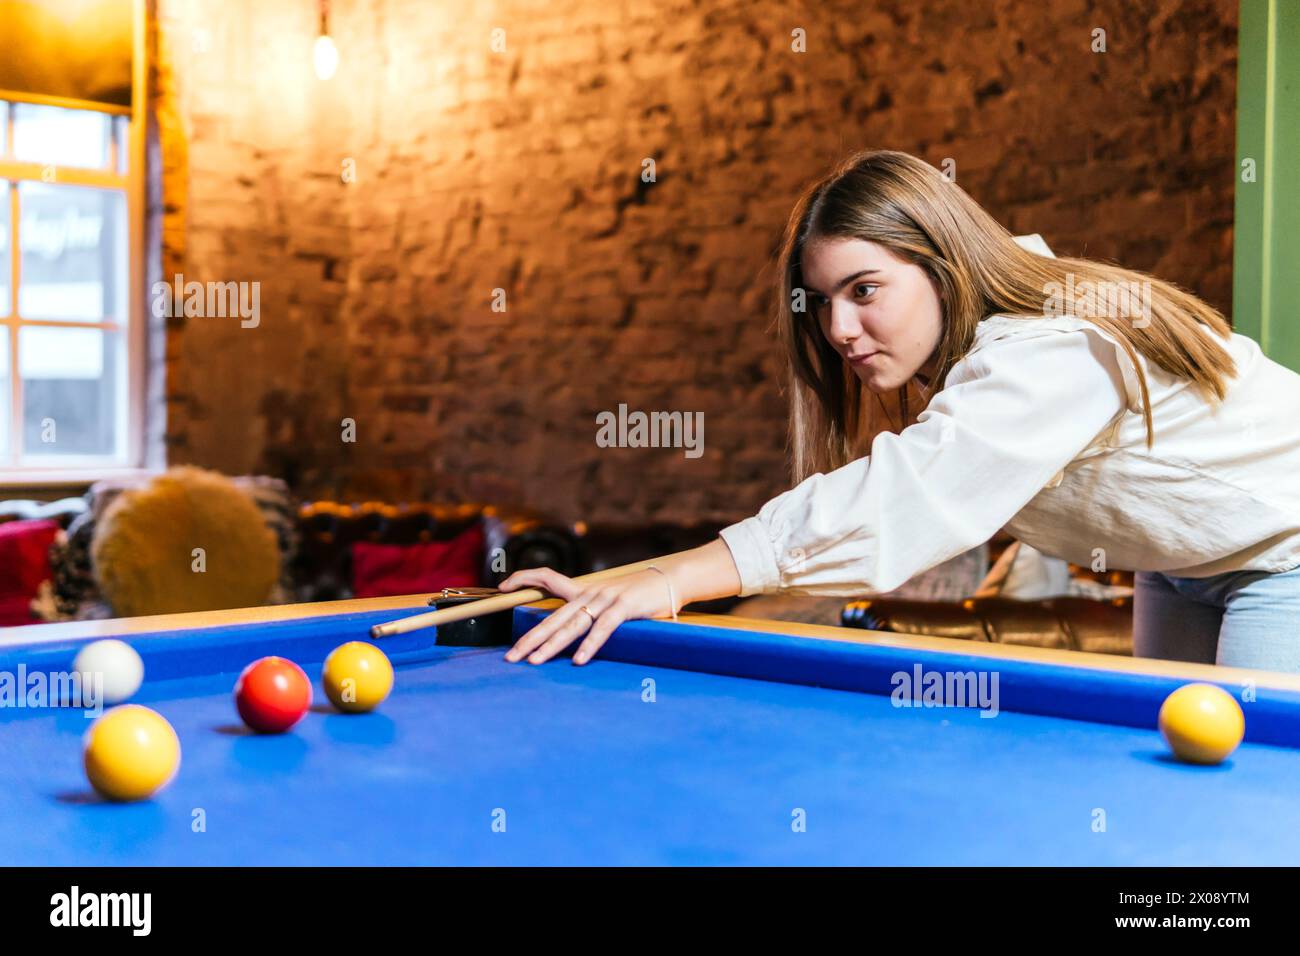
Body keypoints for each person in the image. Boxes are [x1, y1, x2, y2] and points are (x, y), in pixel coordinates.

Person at [500, 148, 1300, 673]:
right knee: (1175, 773)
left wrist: (668, 576)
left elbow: (905, 497)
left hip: (1285, 559)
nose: (839, 328)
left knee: (1252, 796)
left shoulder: (1055, 347)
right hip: (1179, 565)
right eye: (822, 301)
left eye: (865, 290)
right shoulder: (961, 360)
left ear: (944, 269)